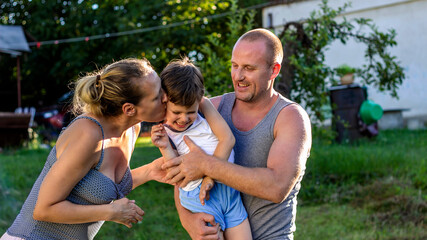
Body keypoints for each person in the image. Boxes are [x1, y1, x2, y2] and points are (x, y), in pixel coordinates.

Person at [162, 29, 312, 240]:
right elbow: (183, 172)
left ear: (274, 70)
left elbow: (277, 187)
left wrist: (206, 165)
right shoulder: (210, 108)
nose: (238, 76)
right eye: (235, 66)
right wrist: (187, 220)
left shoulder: (290, 118)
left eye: (249, 68)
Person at [1, 58, 168, 240]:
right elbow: (43, 209)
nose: (166, 97)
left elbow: (100, 186)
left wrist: (150, 171)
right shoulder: (88, 134)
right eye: (157, 96)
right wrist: (110, 212)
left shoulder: (132, 129)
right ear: (129, 109)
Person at [151, 57, 252, 240]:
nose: (184, 119)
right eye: (177, 112)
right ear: (164, 100)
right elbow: (175, 170)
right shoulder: (166, 132)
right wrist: (164, 146)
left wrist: (210, 177)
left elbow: (227, 139)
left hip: (228, 189)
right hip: (199, 197)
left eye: (190, 111)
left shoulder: (204, 108)